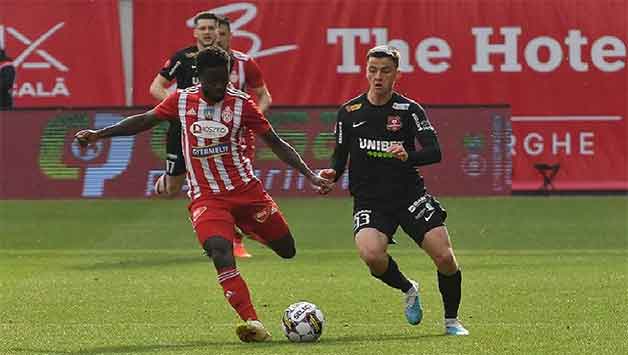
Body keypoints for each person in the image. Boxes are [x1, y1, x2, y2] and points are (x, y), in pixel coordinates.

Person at [75, 46, 332, 342]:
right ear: (199, 77)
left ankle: (246, 227)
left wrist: (310, 175)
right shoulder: (182, 100)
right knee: (219, 251)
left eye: (224, 80)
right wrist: (99, 134)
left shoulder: (241, 104)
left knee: (287, 250)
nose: (220, 87)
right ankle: (252, 321)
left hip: (247, 192)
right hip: (207, 197)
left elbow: (275, 142)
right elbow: (144, 121)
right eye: (213, 81)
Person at [319, 45, 469, 336]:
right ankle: (408, 288)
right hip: (370, 200)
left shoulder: (409, 110)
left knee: (445, 259)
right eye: (373, 70)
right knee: (372, 255)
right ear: (366, 72)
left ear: (397, 75)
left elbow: (435, 152)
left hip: (409, 196)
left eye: (385, 71)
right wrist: (333, 173)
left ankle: (452, 321)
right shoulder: (349, 112)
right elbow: (340, 154)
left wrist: (407, 156)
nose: (378, 77)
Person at [149, 11, 252, 257]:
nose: (207, 32)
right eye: (202, 28)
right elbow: (156, 87)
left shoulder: (227, 59)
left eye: (211, 28)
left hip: (219, 132)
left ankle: (222, 234)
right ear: (195, 32)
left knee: (224, 183)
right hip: (184, 130)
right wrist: (180, 107)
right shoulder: (183, 58)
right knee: (172, 189)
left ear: (219, 32)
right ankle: (168, 180)